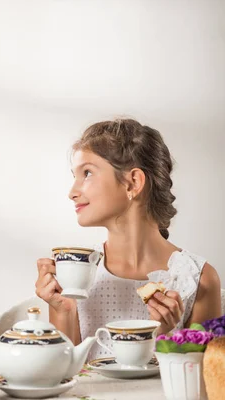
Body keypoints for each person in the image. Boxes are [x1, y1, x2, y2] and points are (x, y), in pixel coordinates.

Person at [35, 118, 222, 360]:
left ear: (133, 182)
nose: (72, 192)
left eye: (87, 173)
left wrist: (167, 337)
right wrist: (64, 310)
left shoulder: (199, 278)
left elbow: (206, 386)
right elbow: (63, 381)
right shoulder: (73, 273)